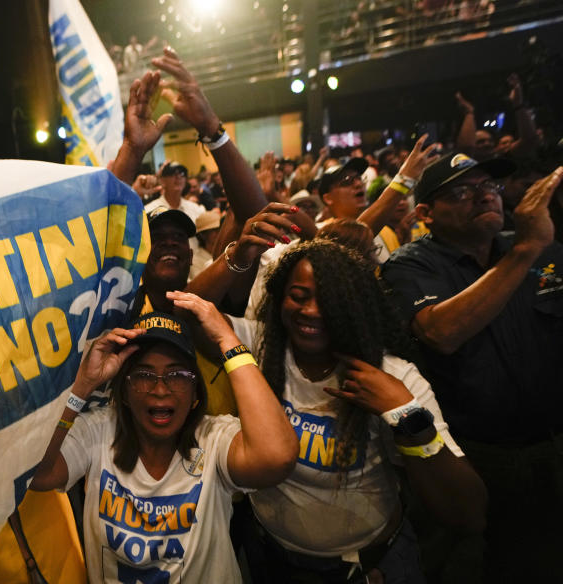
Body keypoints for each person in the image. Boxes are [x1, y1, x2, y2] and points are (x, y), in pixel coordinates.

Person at [227, 239, 486, 583]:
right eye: (299, 296)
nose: (312, 311)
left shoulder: (392, 376)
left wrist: (404, 414)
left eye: (330, 300)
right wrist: (236, 256)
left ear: (354, 306)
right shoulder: (260, 347)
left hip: (366, 567)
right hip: (271, 557)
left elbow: (468, 513)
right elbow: (184, 316)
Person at [381, 155, 563, 581]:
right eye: (461, 192)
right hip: (477, 456)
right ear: (424, 213)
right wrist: (525, 251)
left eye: (490, 186)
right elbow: (442, 331)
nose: (483, 195)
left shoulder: (544, 249)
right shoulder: (411, 265)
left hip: (553, 446)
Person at [29, 294, 297, 583]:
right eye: (144, 375)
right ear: (126, 392)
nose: (160, 389)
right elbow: (39, 475)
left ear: (196, 394)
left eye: (177, 375)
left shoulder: (212, 438)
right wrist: (83, 385)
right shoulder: (100, 429)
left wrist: (227, 340)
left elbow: (277, 456)